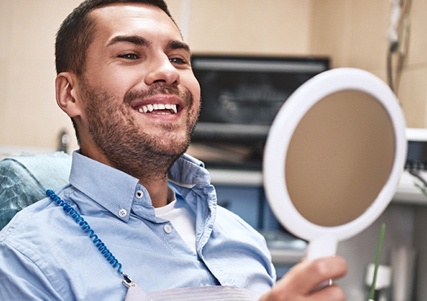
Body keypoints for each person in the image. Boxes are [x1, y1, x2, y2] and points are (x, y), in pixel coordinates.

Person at [0, 0, 347, 300]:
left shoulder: (243, 238)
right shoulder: (27, 260)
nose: (167, 71)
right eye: (131, 54)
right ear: (70, 94)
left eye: (179, 59)